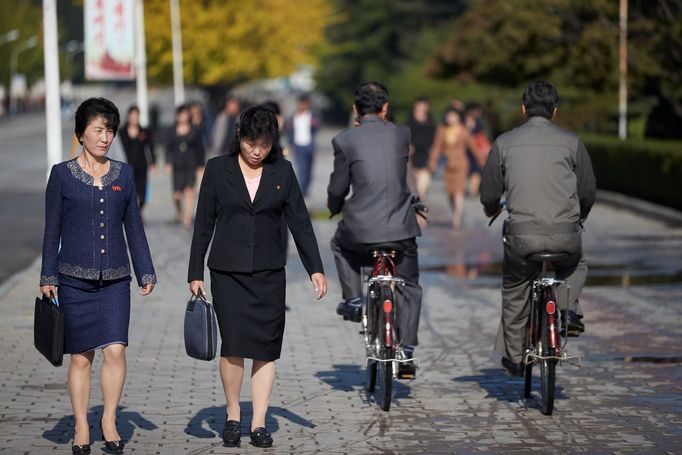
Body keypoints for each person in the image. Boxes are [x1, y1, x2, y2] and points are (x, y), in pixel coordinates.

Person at [188, 104, 327, 448]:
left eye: (263, 145)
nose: (256, 151)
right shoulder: (218, 170)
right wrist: (195, 271)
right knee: (233, 346)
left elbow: (301, 223)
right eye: (251, 143)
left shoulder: (283, 172)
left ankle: (260, 423)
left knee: (266, 348)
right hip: (228, 273)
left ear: (272, 143)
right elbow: (203, 223)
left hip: (269, 273)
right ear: (240, 138)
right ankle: (234, 415)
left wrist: (316, 268)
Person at [39, 98, 156, 455]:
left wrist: (145, 269)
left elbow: (133, 227)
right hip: (73, 280)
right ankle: (80, 424)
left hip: (116, 281)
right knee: (81, 357)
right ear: (81, 134)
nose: (105, 137)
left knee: (116, 350)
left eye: (110, 130)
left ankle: (108, 418)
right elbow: (51, 230)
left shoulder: (124, 174)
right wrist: (48, 276)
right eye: (98, 130)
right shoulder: (61, 174)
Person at [479, 80, 596, 377]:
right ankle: (566, 308)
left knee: (515, 287)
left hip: (521, 238)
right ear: (555, 111)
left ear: (523, 109)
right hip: (565, 237)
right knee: (576, 264)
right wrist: (579, 217)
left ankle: (515, 357)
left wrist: (491, 208)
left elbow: (489, 192)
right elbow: (588, 191)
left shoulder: (504, 142)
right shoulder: (573, 143)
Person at [328, 82, 422, 377]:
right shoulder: (401, 133)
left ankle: (354, 298)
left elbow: (338, 187)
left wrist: (334, 206)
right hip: (401, 227)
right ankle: (405, 349)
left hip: (360, 230)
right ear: (385, 109)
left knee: (339, 245)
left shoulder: (344, 140)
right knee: (409, 283)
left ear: (355, 109)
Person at [428, 106, 477, 230]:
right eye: (449, 116)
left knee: (458, 191)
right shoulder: (442, 130)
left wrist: (483, 162)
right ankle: (456, 212)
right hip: (448, 164)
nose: (450, 118)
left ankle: (457, 218)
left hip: (461, 163)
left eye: (453, 116)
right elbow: (436, 147)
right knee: (450, 193)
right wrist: (433, 161)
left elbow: (473, 147)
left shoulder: (464, 130)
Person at [165, 104, 204, 230]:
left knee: (189, 192)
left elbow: (200, 149)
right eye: (180, 114)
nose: (183, 116)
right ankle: (179, 212)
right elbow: (168, 148)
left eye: (185, 113)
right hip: (177, 167)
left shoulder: (194, 130)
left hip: (190, 166)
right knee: (176, 195)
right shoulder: (172, 130)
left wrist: (200, 167)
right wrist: (168, 163)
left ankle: (187, 220)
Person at [119, 105, 156, 215]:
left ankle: (139, 211)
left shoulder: (144, 132)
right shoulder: (121, 132)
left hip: (142, 166)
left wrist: (153, 162)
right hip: (126, 167)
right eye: (133, 116)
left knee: (142, 194)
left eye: (137, 116)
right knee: (129, 192)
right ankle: (132, 214)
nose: (135, 118)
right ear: (128, 116)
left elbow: (150, 147)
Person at [285, 94, 320, 196]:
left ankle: (306, 187)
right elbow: (289, 131)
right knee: (302, 168)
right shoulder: (293, 117)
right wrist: (290, 143)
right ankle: (302, 189)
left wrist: (312, 124)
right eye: (301, 103)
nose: (303, 106)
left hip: (309, 145)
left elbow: (317, 126)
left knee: (309, 168)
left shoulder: (312, 115)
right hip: (298, 145)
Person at [406, 97, 436, 198]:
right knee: (413, 183)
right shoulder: (409, 121)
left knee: (422, 185)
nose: (421, 107)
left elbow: (435, 140)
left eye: (423, 105)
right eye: (419, 105)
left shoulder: (431, 122)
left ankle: (420, 201)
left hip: (426, 154)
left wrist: (434, 156)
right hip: (412, 155)